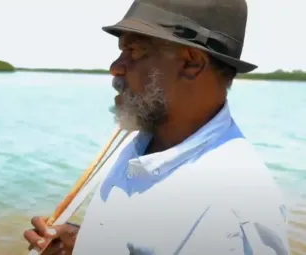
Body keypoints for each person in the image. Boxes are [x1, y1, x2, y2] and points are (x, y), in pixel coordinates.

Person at [23, 0, 291, 254]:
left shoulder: (235, 212)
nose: (115, 67)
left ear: (191, 62)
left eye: (135, 50)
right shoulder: (141, 138)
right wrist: (82, 245)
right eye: (121, 51)